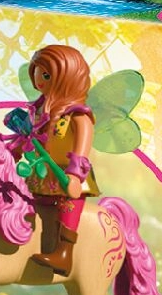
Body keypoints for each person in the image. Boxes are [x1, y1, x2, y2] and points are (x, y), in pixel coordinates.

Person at [9, 44, 100, 277]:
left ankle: (64, 252)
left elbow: (81, 148)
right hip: (40, 173)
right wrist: (12, 150)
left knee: (69, 203)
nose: (39, 80)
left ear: (68, 77)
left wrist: (75, 175)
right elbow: (29, 138)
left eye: (46, 75)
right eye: (37, 73)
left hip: (66, 174)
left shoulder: (78, 115)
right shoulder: (39, 111)